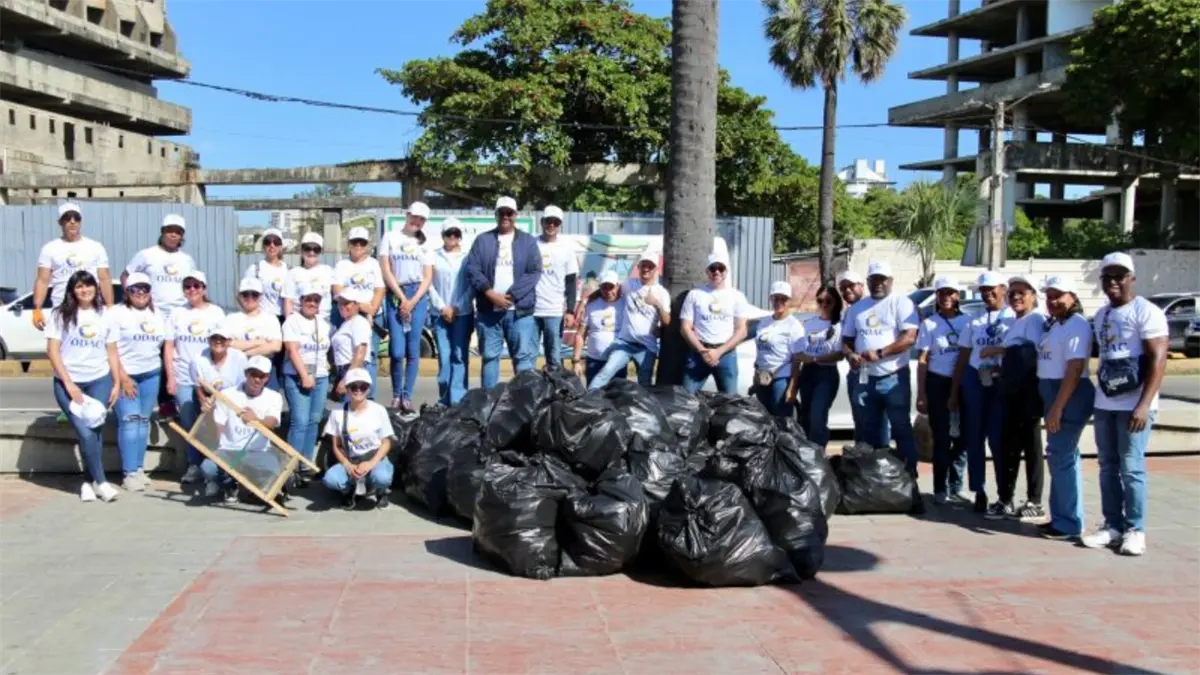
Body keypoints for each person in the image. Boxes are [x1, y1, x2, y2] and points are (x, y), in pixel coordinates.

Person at [1081, 252, 1168, 556]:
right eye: (1107, 277)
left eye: (1120, 276)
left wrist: (1144, 405)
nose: (1113, 282)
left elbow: (1158, 360)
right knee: (1107, 467)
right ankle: (1111, 525)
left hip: (1135, 405)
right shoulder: (1103, 315)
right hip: (1106, 402)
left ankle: (1135, 529)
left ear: (1132, 278)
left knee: (1131, 469)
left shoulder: (1147, 312)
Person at [841, 261, 921, 481]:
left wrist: (881, 352)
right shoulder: (857, 308)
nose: (878, 284)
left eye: (882, 279)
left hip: (894, 376)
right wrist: (850, 355)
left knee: (900, 428)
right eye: (874, 279)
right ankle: (873, 480)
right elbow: (846, 340)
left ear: (891, 281)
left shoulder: (901, 303)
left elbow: (909, 338)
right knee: (867, 431)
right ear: (867, 282)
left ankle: (909, 477)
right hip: (865, 378)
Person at [45, 271, 121, 502]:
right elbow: (52, 351)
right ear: (72, 290)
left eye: (88, 286)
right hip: (69, 382)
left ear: (96, 288)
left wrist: (116, 382)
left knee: (95, 431)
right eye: (79, 287)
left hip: (99, 379)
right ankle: (102, 482)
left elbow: (112, 351)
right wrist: (69, 384)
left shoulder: (106, 315)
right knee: (85, 433)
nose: (84, 290)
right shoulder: (60, 315)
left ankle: (88, 482)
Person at [950, 271, 1017, 515]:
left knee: (999, 441)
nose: (987, 294)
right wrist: (954, 392)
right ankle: (978, 490)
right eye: (983, 290)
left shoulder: (1014, 318)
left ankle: (1004, 495)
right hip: (975, 379)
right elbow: (963, 356)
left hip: (1000, 382)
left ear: (1003, 289)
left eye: (991, 289)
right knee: (974, 439)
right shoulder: (973, 320)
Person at [1037, 276, 1095, 542]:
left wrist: (1057, 408)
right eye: (1049, 296)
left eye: (1058, 295)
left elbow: (1074, 369)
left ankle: (1069, 523)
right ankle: (1060, 517)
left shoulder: (1077, 325)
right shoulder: (1057, 324)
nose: (1053, 301)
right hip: (1053, 392)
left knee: (1061, 455)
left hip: (1067, 394)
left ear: (1073, 296)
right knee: (1060, 456)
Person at [465, 196, 542, 389]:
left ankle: (523, 404)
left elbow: (534, 271)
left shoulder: (528, 241)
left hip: (520, 312)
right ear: (496, 214)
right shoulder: (482, 240)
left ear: (515, 215)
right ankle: (489, 404)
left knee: (523, 359)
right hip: (488, 311)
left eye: (509, 213)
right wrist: (490, 293)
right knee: (490, 357)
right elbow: (472, 269)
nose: (505, 216)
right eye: (501, 212)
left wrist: (512, 296)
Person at [990, 275, 1047, 522]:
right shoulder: (1016, 321)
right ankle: (1006, 498)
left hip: (1027, 391)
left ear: (1033, 295)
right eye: (1012, 293)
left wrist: (1001, 351)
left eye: (1021, 292)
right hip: (1010, 390)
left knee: (1031, 447)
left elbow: (1031, 353)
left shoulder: (1035, 319)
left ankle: (1034, 500)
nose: (1016, 297)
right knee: (1008, 446)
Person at [164, 271, 225, 484]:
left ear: (204, 288)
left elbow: (222, 345)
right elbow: (169, 346)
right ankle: (193, 464)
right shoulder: (176, 313)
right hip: (183, 376)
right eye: (187, 286)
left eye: (196, 286)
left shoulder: (216, 312)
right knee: (190, 422)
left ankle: (213, 466)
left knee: (212, 422)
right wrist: (170, 377)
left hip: (208, 378)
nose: (192, 290)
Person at [915, 277, 971, 506]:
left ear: (957, 296)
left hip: (964, 383)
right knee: (941, 437)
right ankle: (940, 488)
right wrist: (921, 394)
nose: (946, 297)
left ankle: (957, 486)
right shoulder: (929, 324)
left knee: (962, 437)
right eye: (941, 293)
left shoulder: (968, 322)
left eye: (950, 293)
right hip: (938, 382)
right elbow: (923, 359)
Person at [199, 356, 283, 505]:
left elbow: (273, 422)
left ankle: (253, 488)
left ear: (267, 378)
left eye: (262, 376)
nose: (257, 379)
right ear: (246, 374)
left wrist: (256, 420)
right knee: (208, 467)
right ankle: (229, 487)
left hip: (259, 451)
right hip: (229, 450)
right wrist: (208, 412)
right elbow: (217, 427)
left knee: (277, 473)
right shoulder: (227, 394)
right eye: (253, 374)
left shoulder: (274, 397)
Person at [109, 272, 165, 492]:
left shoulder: (158, 314)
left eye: (145, 289)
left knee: (143, 421)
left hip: (151, 373)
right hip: (126, 375)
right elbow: (110, 349)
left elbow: (162, 345)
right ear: (127, 292)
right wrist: (122, 378)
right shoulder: (116, 314)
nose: (140, 293)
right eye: (135, 289)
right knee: (129, 422)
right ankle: (129, 473)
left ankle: (139, 469)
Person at [378, 203, 434, 410]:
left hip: (417, 295)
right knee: (397, 351)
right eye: (414, 217)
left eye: (421, 219)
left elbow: (428, 276)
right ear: (407, 215)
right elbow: (386, 269)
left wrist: (412, 301)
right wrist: (402, 298)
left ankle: (407, 395)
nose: (416, 221)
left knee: (413, 350)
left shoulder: (426, 243)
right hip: (396, 293)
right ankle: (395, 394)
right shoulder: (390, 237)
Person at [588, 252, 672, 389]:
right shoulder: (628, 284)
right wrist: (586, 300)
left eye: (650, 266)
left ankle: (645, 409)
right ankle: (587, 400)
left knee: (644, 383)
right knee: (606, 371)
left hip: (647, 346)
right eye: (643, 265)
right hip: (624, 343)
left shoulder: (662, 293)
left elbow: (667, 322)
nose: (646, 269)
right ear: (638, 267)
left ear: (655, 269)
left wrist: (656, 304)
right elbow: (608, 288)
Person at [322, 368, 397, 510]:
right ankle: (348, 491)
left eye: (363, 386)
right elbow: (336, 446)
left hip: (374, 457)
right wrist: (347, 465)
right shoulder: (337, 412)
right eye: (353, 386)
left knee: (382, 478)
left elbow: (386, 442)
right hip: (351, 459)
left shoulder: (378, 410)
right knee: (330, 479)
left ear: (368, 388)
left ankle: (381, 491)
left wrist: (370, 463)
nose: (358, 390)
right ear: (347, 389)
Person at [33, 202, 113, 330]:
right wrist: (37, 308)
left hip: (91, 306)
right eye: (67, 218)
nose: (72, 221)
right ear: (60, 222)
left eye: (76, 218)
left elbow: (104, 278)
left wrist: (109, 306)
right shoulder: (50, 248)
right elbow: (42, 280)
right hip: (62, 307)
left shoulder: (95, 247)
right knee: (59, 347)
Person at [680, 252, 750, 394]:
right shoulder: (695, 294)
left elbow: (742, 330)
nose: (716, 272)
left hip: (726, 355)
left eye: (720, 268)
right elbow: (685, 327)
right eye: (713, 268)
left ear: (726, 272)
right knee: (686, 400)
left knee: (730, 402)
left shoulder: (737, 296)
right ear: (707, 271)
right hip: (698, 354)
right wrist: (702, 351)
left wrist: (719, 352)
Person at [282, 282, 332, 477]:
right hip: (297, 376)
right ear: (300, 301)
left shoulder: (323, 323)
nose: (312, 303)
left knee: (314, 420)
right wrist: (304, 375)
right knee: (300, 421)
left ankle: (305, 462)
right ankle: (290, 466)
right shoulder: (292, 321)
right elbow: (292, 350)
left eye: (316, 300)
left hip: (320, 376)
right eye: (308, 299)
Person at [331, 225, 386, 395]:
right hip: (348, 314)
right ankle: (348, 392)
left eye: (362, 243)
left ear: (368, 245)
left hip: (372, 316)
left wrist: (371, 311)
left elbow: (379, 289)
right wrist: (361, 307)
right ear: (349, 244)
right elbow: (338, 291)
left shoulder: (374, 264)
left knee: (369, 357)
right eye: (355, 242)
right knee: (347, 355)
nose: (358, 246)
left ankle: (369, 397)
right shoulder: (342, 265)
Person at [837, 269, 890, 446]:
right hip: (857, 373)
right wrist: (851, 354)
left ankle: (880, 462)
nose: (847, 291)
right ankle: (862, 464)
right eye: (843, 288)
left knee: (880, 423)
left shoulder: (877, 305)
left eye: (851, 286)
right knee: (860, 422)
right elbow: (846, 342)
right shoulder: (849, 312)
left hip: (882, 372)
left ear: (862, 286)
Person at [793, 283, 845, 449]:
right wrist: (803, 358)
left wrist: (815, 359)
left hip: (826, 373)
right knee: (806, 416)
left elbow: (840, 354)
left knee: (818, 415)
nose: (824, 304)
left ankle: (818, 453)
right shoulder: (809, 324)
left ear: (836, 302)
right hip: (807, 373)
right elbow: (799, 351)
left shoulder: (839, 325)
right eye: (820, 300)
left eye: (828, 301)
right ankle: (806, 454)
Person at [428, 220, 474, 406]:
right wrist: (442, 307)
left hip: (462, 313)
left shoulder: (468, 257)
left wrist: (456, 307)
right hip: (440, 314)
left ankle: (458, 401)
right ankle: (444, 398)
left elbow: (472, 285)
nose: (452, 237)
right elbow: (428, 284)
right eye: (449, 234)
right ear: (443, 236)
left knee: (459, 355)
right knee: (444, 356)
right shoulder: (434, 256)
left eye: (456, 234)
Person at [122, 214, 195, 323]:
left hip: (180, 312)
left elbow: (193, 286)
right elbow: (125, 276)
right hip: (152, 311)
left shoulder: (187, 260)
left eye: (178, 232)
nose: (173, 235)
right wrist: (132, 298)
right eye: (170, 230)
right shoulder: (146, 254)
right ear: (162, 232)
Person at [532, 205, 579, 370]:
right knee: (528, 355)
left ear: (560, 225)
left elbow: (571, 281)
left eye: (555, 222)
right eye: (548, 221)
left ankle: (556, 391)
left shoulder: (567, 248)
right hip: (531, 310)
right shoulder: (531, 243)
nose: (551, 225)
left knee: (554, 356)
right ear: (542, 222)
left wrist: (570, 310)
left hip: (554, 311)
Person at [750, 282, 804, 416]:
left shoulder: (794, 325)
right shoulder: (764, 322)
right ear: (770, 299)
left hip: (781, 378)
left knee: (781, 420)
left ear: (789, 301)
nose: (779, 302)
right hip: (762, 377)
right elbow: (760, 352)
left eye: (783, 299)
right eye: (775, 298)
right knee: (764, 419)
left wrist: (792, 388)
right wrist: (755, 377)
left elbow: (797, 359)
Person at [242, 227, 288, 384]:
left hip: (282, 318)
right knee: (262, 359)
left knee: (280, 361)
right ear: (263, 246)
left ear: (281, 246)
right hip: (262, 319)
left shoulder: (287, 270)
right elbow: (244, 294)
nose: (272, 246)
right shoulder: (255, 268)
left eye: (276, 242)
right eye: (268, 242)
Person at [573, 270, 625, 386]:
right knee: (593, 398)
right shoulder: (591, 305)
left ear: (617, 286)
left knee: (619, 398)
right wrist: (576, 361)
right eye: (604, 287)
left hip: (617, 361)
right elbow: (581, 335)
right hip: (594, 361)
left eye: (611, 287)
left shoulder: (625, 303)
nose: (608, 291)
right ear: (599, 288)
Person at [190, 322, 249, 413]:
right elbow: (198, 387)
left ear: (229, 341)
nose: (218, 341)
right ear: (209, 341)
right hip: (209, 397)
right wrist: (204, 402)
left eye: (223, 338)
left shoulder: (240, 358)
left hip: (233, 399)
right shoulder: (197, 360)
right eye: (214, 338)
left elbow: (243, 386)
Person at [224, 278, 283, 366]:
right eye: (245, 294)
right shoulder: (230, 319)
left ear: (261, 296)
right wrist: (257, 342)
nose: (250, 298)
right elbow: (227, 344)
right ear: (239, 296)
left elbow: (276, 346)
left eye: (254, 294)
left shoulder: (271, 319)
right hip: (238, 367)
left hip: (264, 370)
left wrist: (244, 354)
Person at [330, 289, 375, 403]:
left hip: (356, 370)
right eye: (340, 303)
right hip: (347, 370)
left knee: (354, 413)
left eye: (346, 303)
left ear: (356, 305)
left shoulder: (358, 322)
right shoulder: (347, 323)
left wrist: (346, 379)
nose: (342, 306)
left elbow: (360, 353)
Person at [283, 232, 333, 321]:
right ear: (302, 251)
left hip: (323, 321)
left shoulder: (328, 271)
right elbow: (289, 301)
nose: (311, 252)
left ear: (320, 252)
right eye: (307, 248)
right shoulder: (293, 273)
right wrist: (289, 324)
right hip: (299, 320)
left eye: (316, 249)